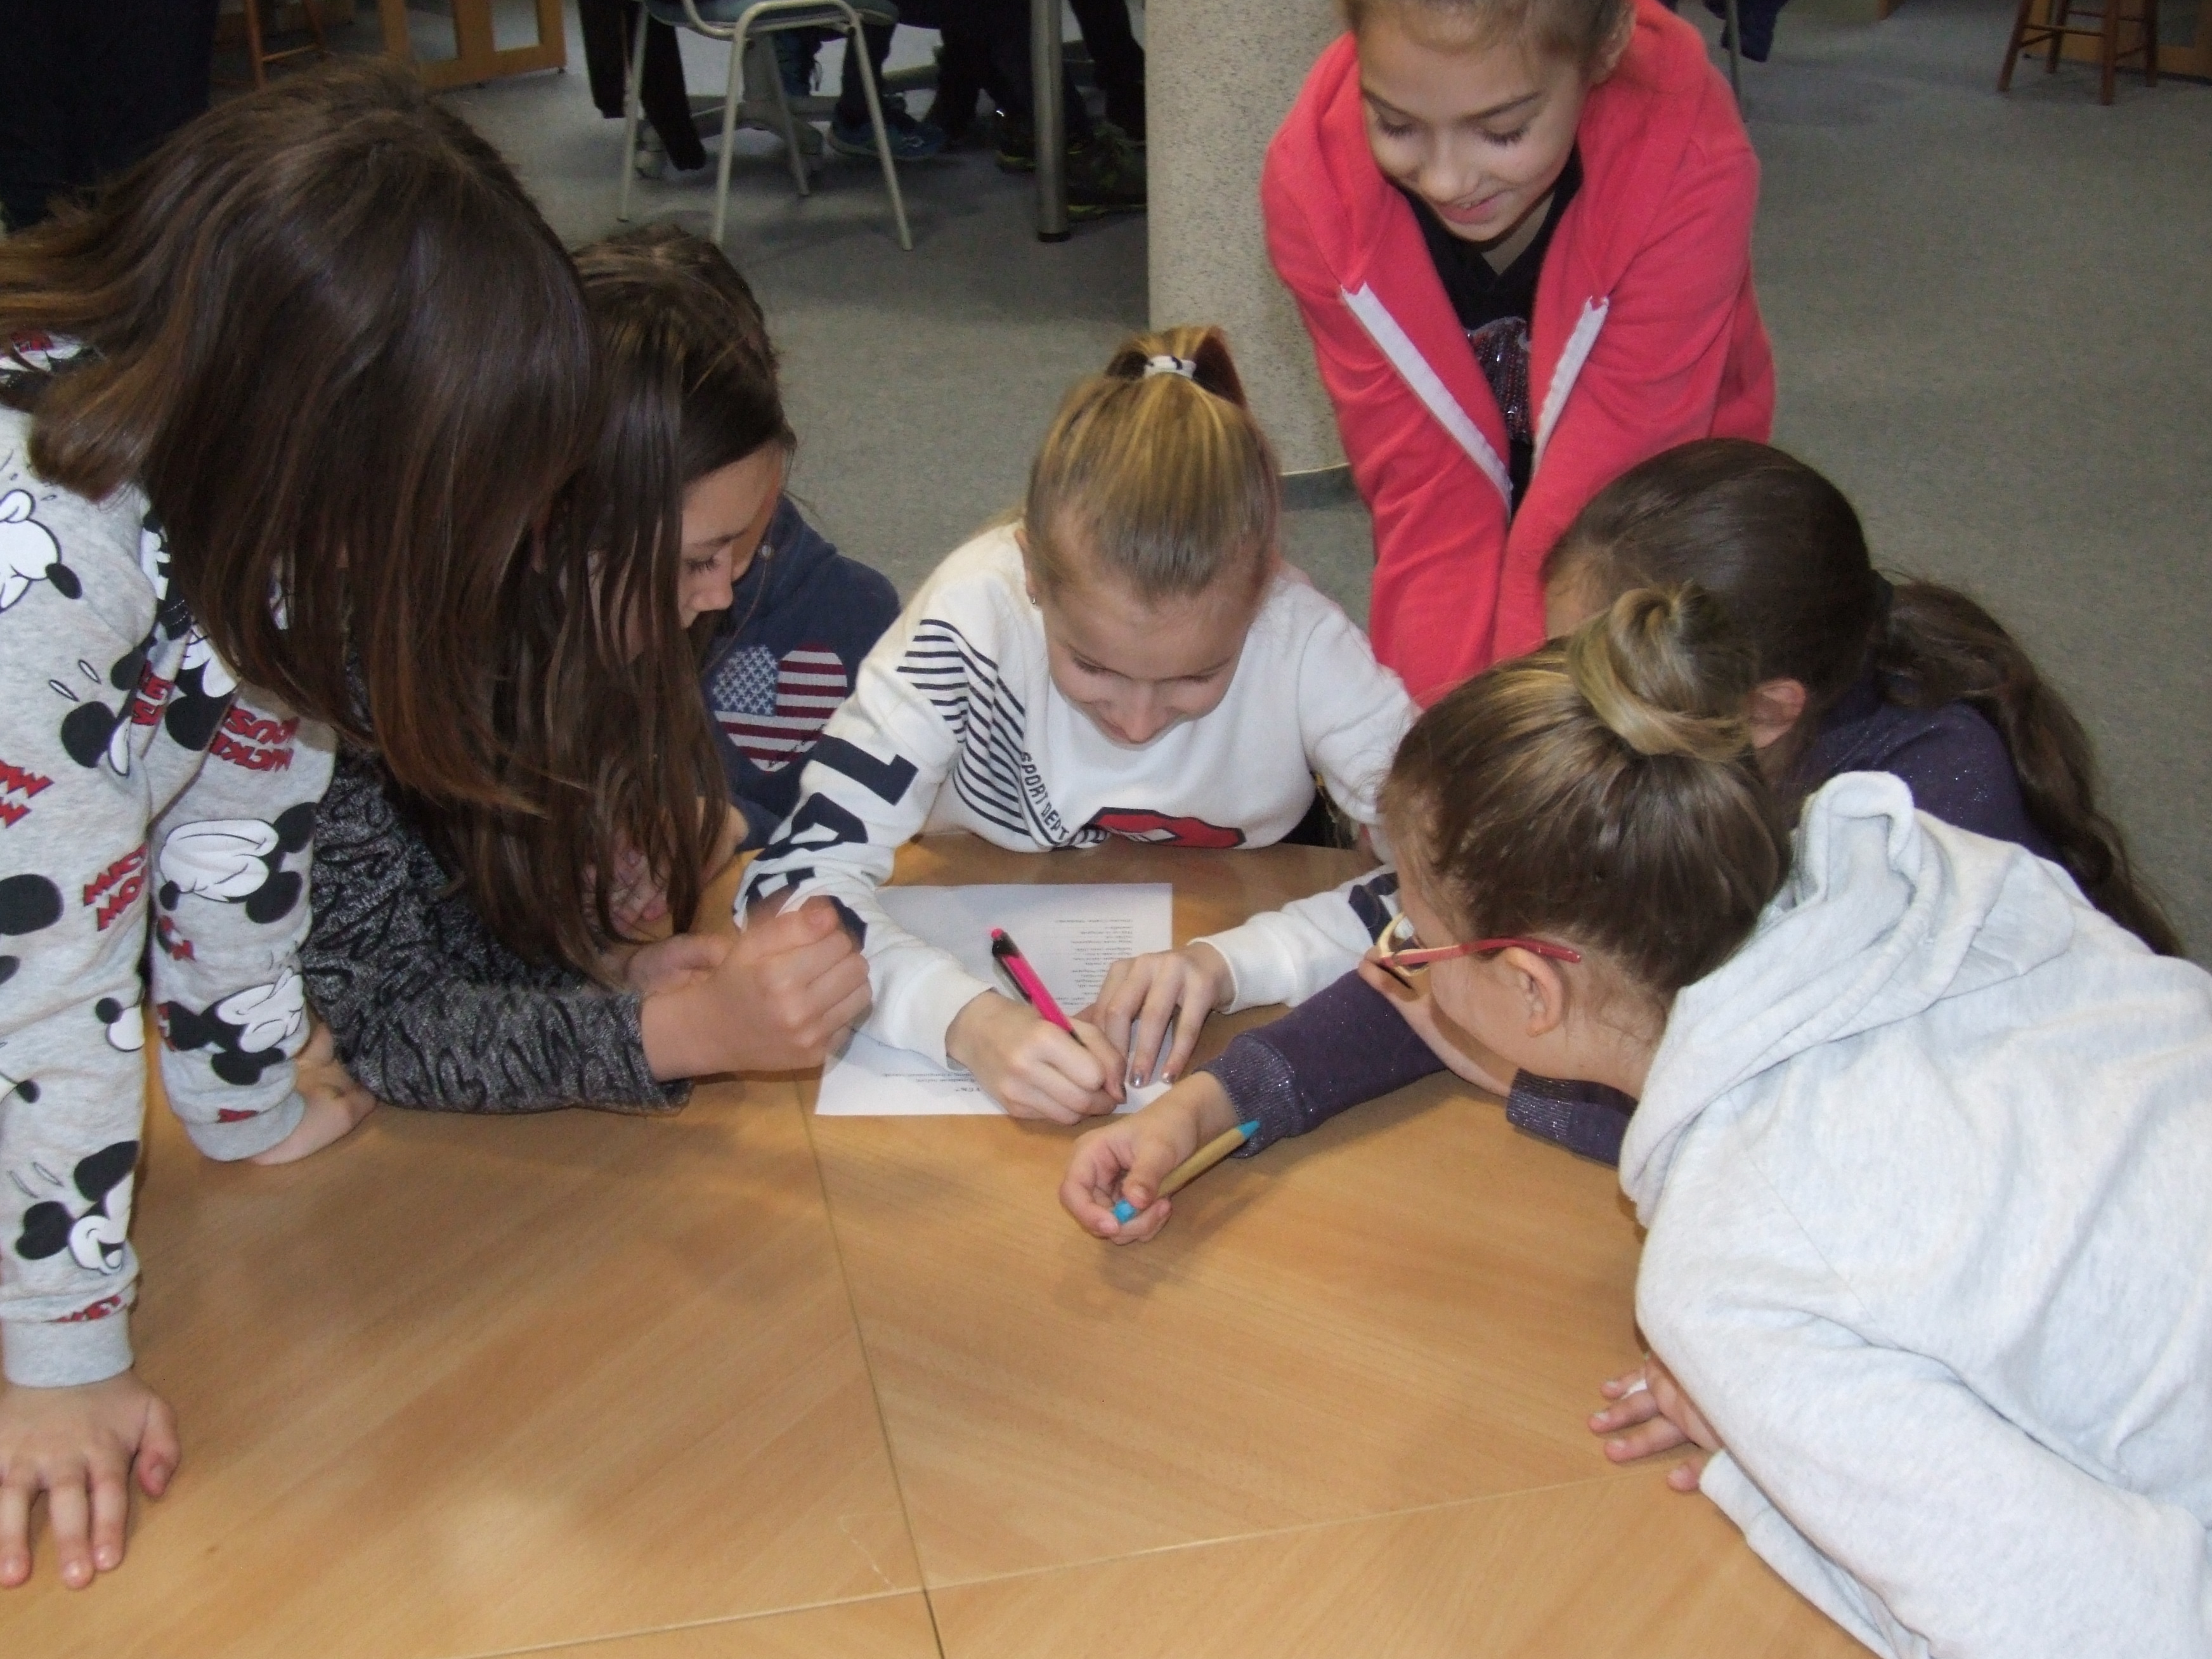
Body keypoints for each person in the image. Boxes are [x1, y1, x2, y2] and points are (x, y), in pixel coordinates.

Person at [1195, 588, 2203, 1658]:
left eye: (1419, 936)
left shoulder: (1740, 1261)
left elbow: (2117, 1630)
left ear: (1531, 990)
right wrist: (1804, 1417)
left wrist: (1772, 1469)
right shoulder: (1931, 871)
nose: (1401, 954)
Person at [0, 62, 607, 1589]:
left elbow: (239, 812)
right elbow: (48, 978)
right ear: (331, 433)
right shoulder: (46, 560)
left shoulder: (258, 490)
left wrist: (244, 1093)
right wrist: (61, 1361)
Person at [1069, 439, 2179, 1226]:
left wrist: (1535, 1085)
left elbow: (1829, 1142)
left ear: (1763, 711)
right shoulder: (1661, 754)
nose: (1558, 698)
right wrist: (1212, 1104)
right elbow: (1454, 938)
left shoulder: (1912, 829)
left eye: (1590, 672)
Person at [741, 326, 1416, 1121]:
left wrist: (1233, 964)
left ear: (1264, 590)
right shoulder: (969, 622)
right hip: (975, 912)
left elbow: (1471, 884)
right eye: (1093, 668)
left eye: (1195, 677)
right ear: (1030, 571)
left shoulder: (1301, 638)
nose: (1136, 723)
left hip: (1233, 935)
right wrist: (963, 1021)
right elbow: (786, 886)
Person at [302, 226, 883, 1115]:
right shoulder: (349, 672)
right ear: (557, 524)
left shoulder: (591, 626)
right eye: (695, 560)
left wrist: (611, 977)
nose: (720, 594)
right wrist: (682, 1034)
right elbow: (380, 1020)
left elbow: (469, 943)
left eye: (736, 549)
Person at [1264, 0, 1773, 705]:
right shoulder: (1315, 195)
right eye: (1396, 125)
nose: (1446, 180)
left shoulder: (1690, 168)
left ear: (1605, 47)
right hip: (1476, 490)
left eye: (1502, 131)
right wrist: (1440, 728)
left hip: (1650, 511)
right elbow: (1426, 502)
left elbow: (1606, 519)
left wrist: (1523, 735)